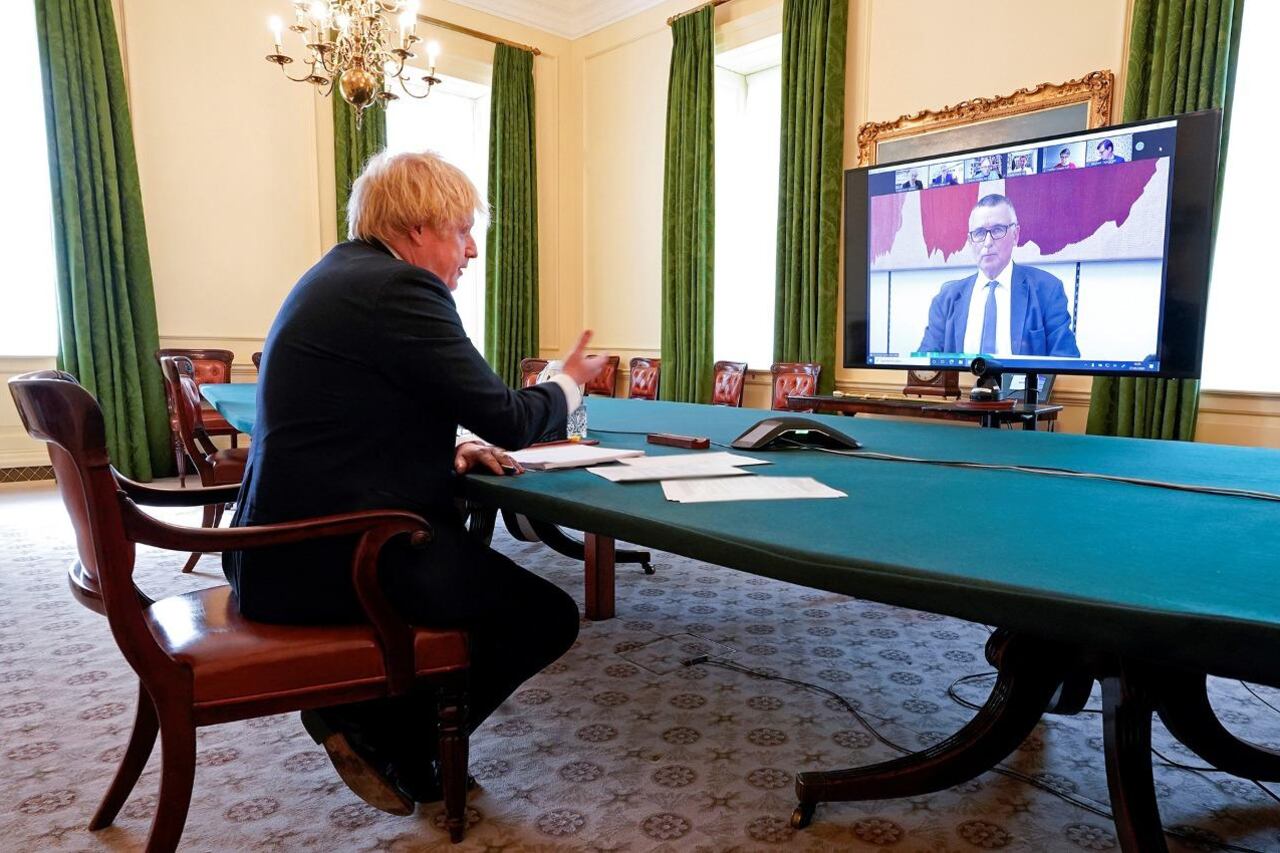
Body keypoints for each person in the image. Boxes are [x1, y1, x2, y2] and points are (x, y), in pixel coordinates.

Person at [225, 150, 605, 815]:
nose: (473, 250)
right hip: (338, 555)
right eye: (462, 230)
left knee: (488, 589)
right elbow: (511, 418)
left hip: (274, 550)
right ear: (420, 226)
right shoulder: (400, 289)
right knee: (545, 616)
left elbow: (360, 411)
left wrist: (454, 446)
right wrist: (567, 381)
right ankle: (385, 733)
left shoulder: (340, 274)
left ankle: (373, 718)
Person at [917, 193, 1080, 357]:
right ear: (970, 240)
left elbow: (1066, 363)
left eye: (997, 230)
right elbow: (923, 365)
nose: (987, 242)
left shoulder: (1047, 290)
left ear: (1015, 235)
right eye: (979, 233)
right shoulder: (946, 298)